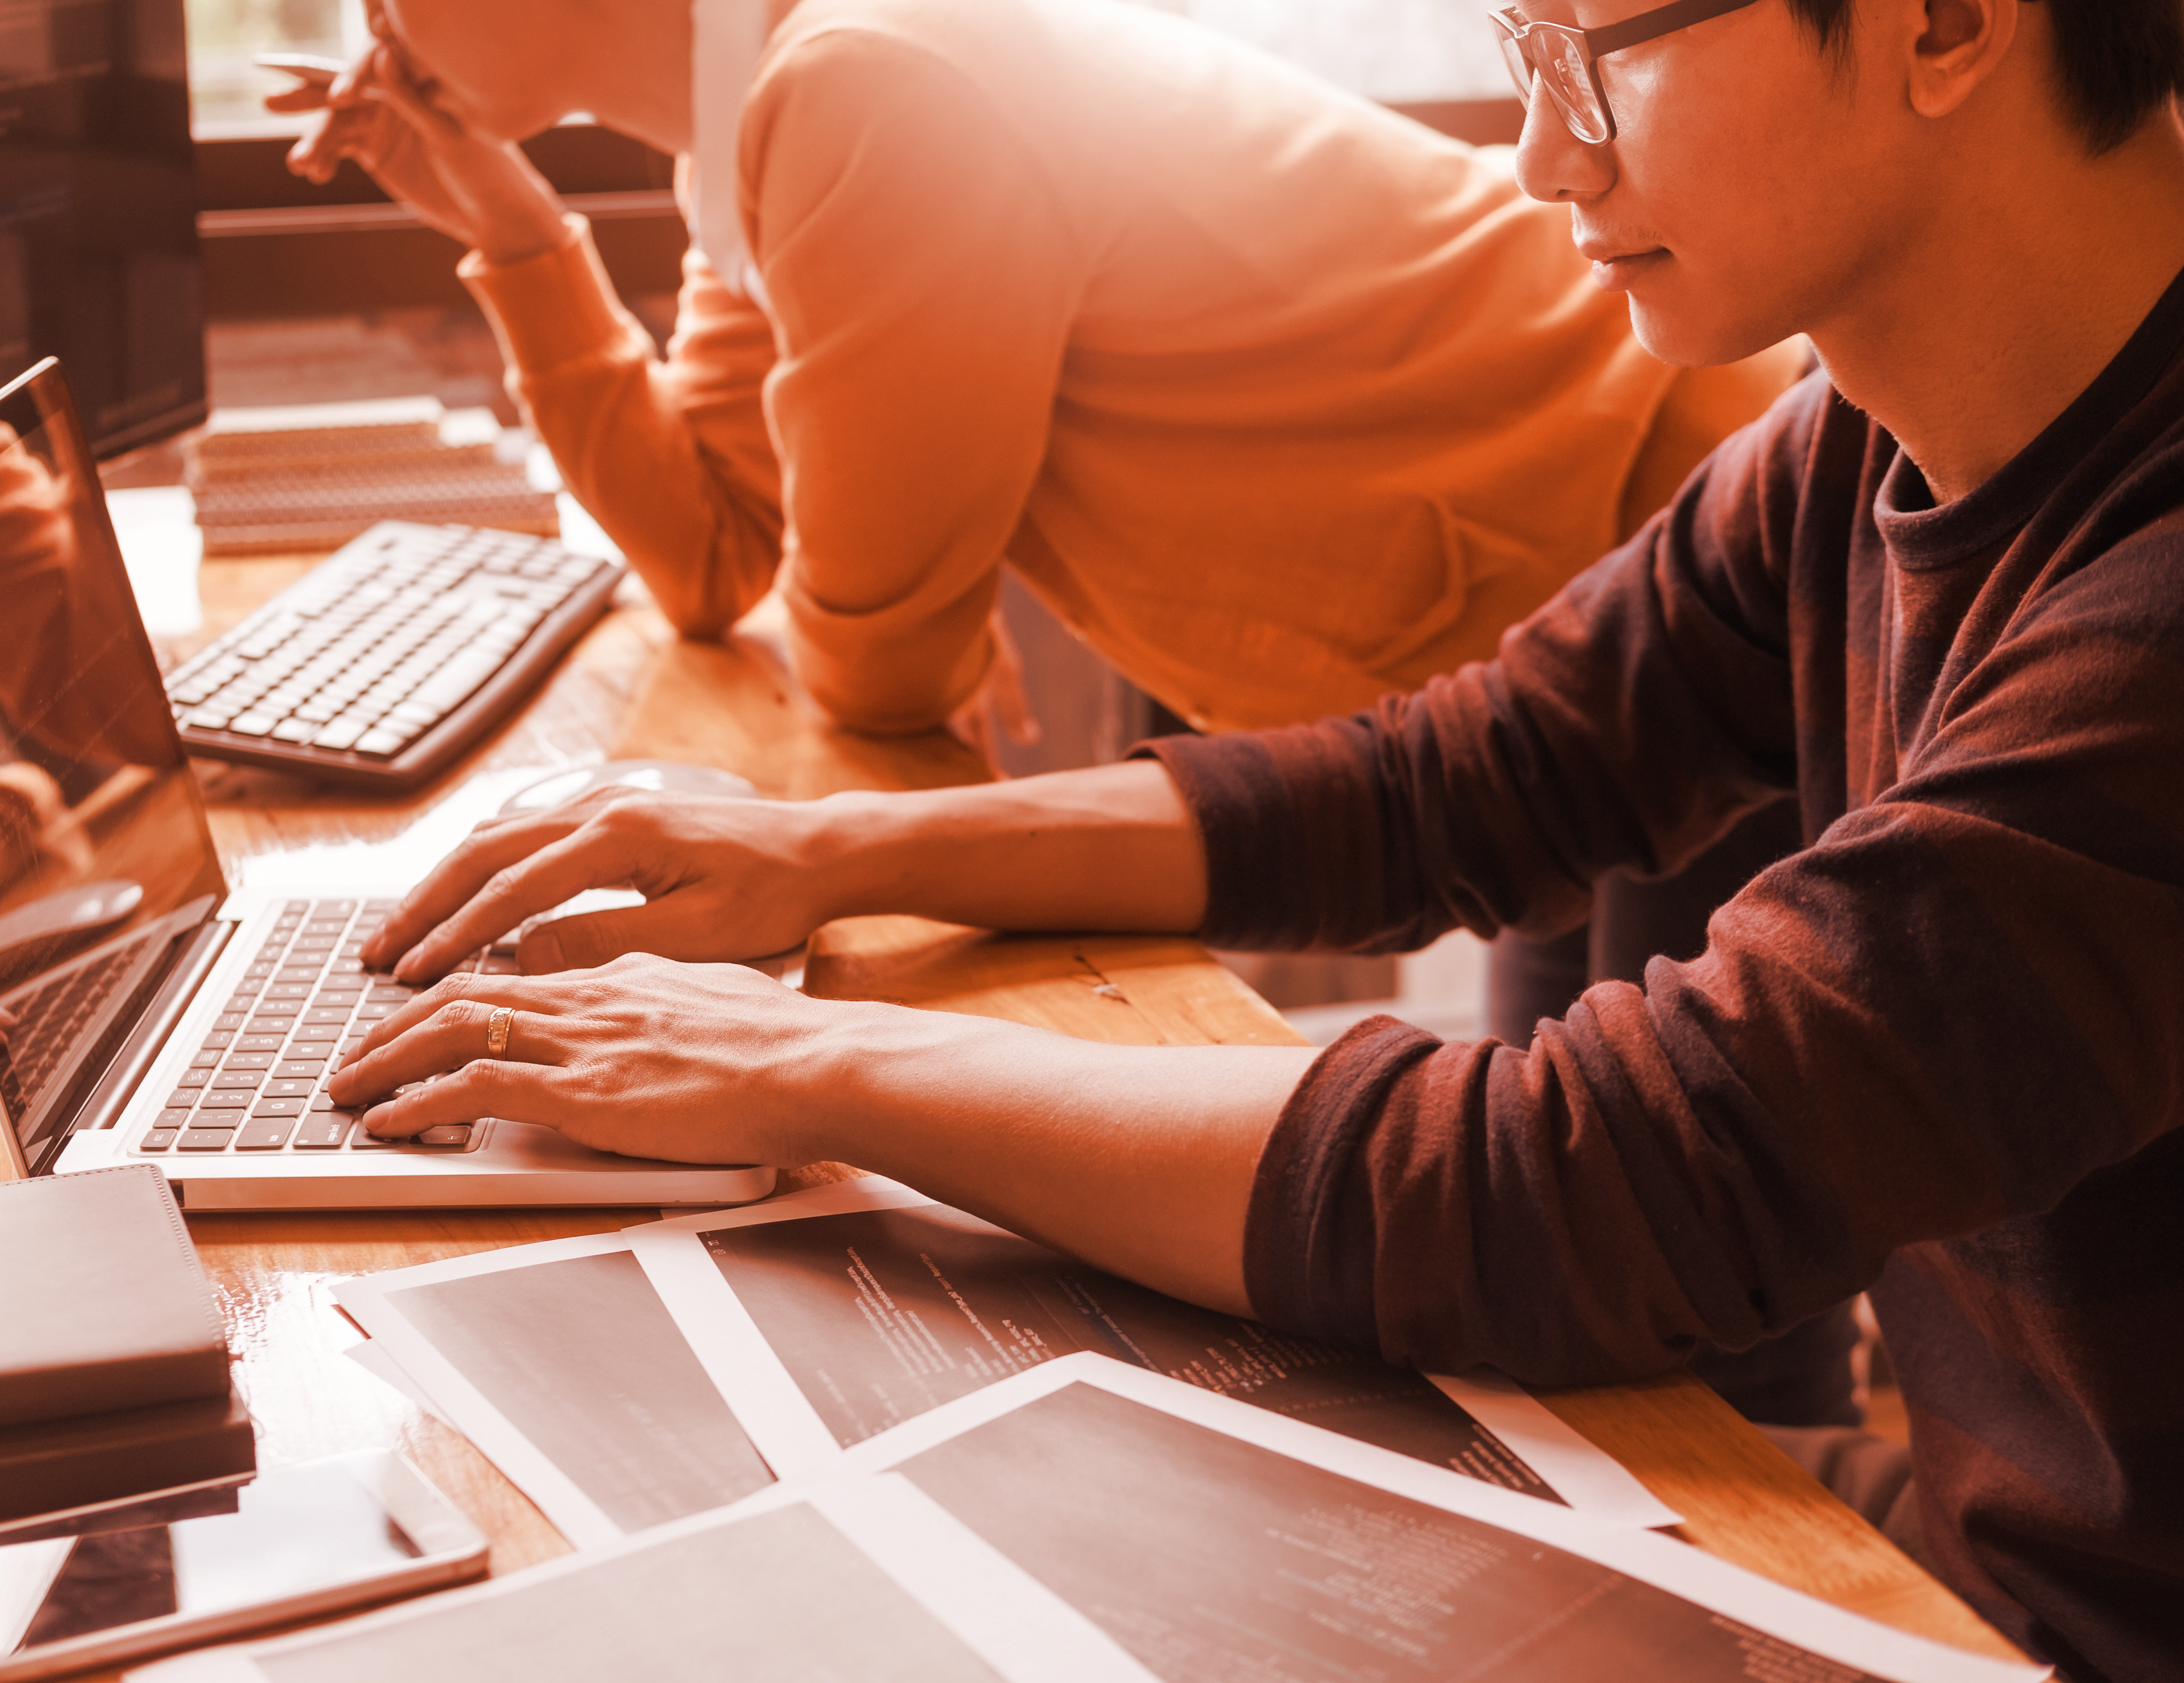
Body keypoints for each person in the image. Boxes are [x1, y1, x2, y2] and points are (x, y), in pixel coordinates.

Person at [321, 0, 2184, 1672]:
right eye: (1520, 49)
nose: (1541, 156)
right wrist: (836, 860)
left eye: (1595, 51)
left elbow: (1586, 1176)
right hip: (1976, 1537)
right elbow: (1454, 777)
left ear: (1947, 22)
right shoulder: (1861, 444)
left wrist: (814, 1058)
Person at [276, 0, 1804, 743]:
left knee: (1719, 1226)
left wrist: (884, 601)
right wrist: (517, 232)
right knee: (1683, 1252)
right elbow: (715, 554)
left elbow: (880, 665)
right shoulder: (761, 125)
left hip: (1662, 500)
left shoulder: (863, 86)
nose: (371, 22)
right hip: (1541, 593)